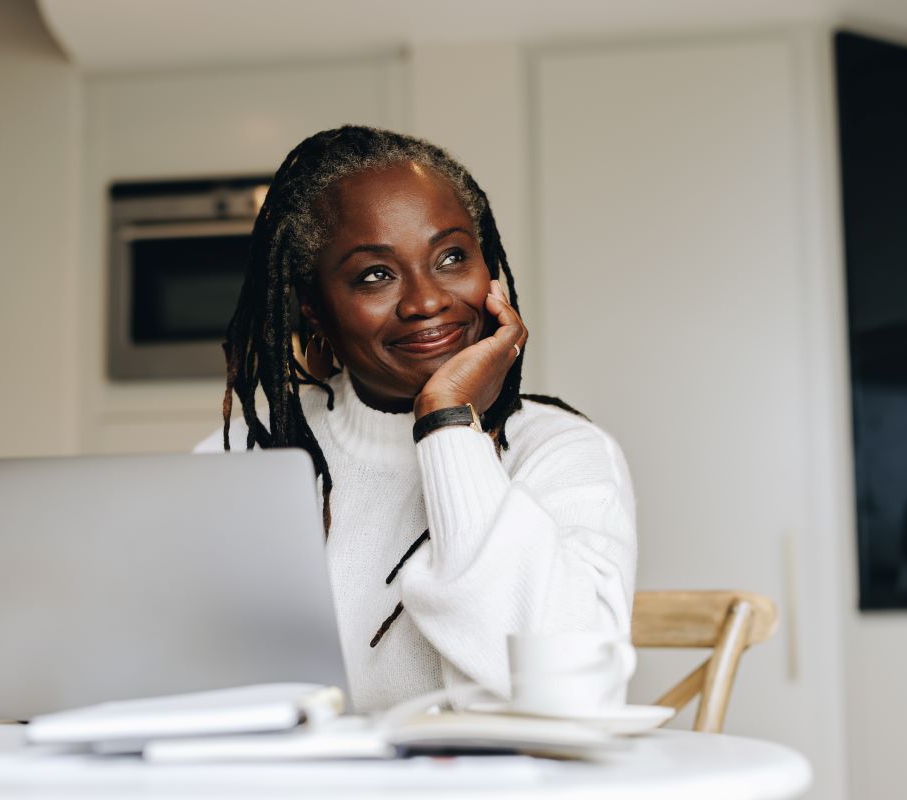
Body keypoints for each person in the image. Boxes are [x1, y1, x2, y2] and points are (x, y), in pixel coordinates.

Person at [195, 125, 636, 713]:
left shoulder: (559, 451)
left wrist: (448, 425)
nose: (426, 301)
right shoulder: (247, 456)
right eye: (375, 274)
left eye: (452, 256)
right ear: (314, 308)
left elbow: (574, 695)